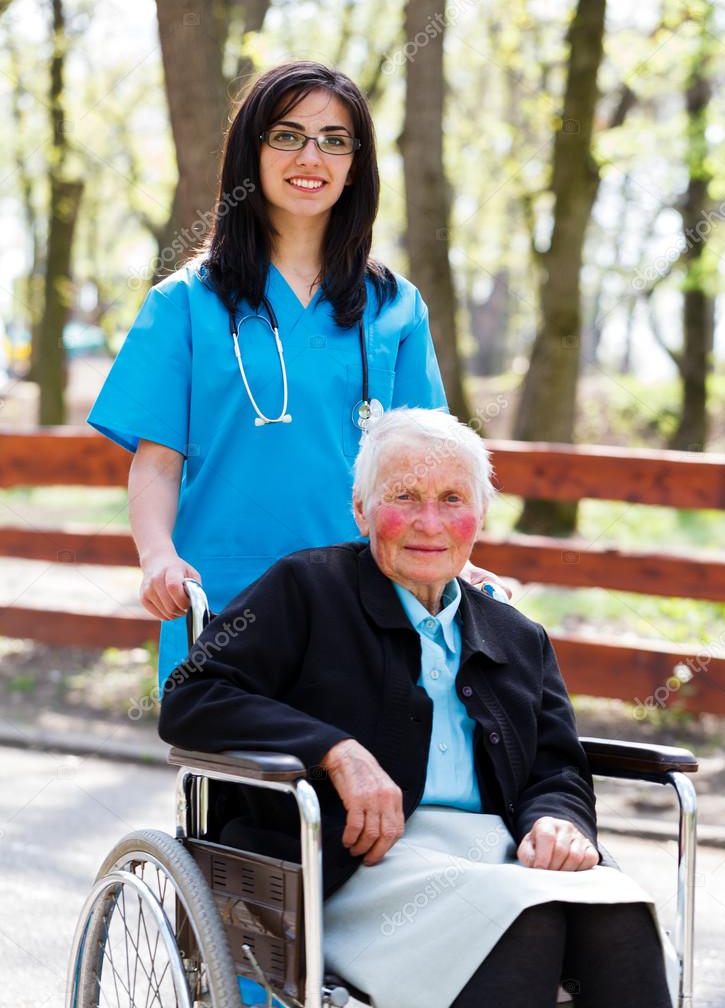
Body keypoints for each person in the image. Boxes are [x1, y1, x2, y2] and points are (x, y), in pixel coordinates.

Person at [158, 408, 676, 1008]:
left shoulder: (517, 637)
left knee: (616, 913)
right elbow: (192, 694)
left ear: (478, 518)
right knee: (522, 920)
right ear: (361, 509)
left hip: (505, 855)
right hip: (360, 863)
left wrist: (558, 821)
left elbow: (556, 768)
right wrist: (334, 749)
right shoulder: (306, 588)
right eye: (404, 496)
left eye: (452, 499)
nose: (430, 523)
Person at [87, 60, 502, 689]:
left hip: (368, 604)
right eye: (287, 135)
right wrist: (158, 557)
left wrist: (450, 560)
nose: (312, 156)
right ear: (250, 153)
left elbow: (429, 466)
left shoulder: (396, 307)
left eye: (335, 140)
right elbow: (157, 462)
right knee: (238, 779)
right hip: (226, 601)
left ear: (355, 164)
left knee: (362, 779)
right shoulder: (183, 304)